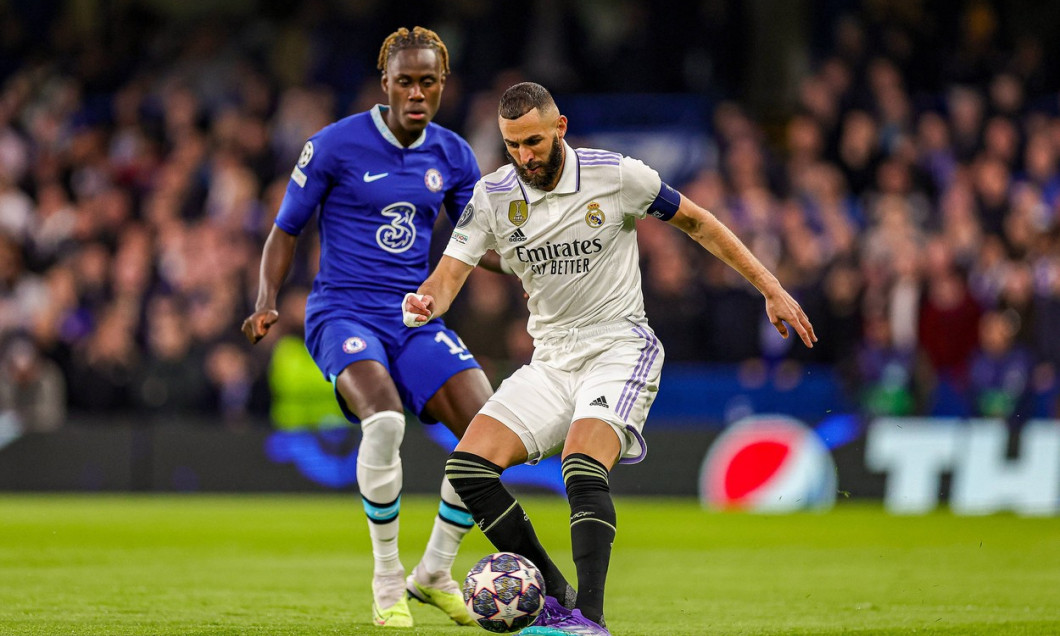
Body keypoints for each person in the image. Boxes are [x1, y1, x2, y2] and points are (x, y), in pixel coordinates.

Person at [403, 82, 816, 635]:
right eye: (512, 146)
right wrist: (428, 300)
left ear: (560, 128)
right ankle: (555, 598)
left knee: (580, 464)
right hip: (551, 360)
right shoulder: (493, 196)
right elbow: (451, 273)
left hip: (619, 347)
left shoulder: (618, 175)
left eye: (532, 142)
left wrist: (769, 286)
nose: (524, 157)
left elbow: (699, 222)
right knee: (468, 468)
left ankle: (588, 621)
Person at [241, 27, 495, 629]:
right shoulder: (334, 145)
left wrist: (531, 268)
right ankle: (387, 581)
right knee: (384, 421)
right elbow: (286, 229)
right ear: (384, 83)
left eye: (426, 82)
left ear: (442, 86)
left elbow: (478, 241)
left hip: (413, 315)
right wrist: (266, 298)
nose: (415, 92)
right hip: (343, 312)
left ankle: (433, 571)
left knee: (490, 432)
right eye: (404, 80)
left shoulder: (454, 154)